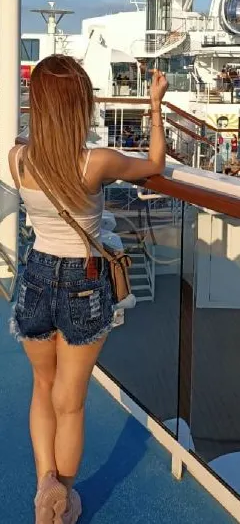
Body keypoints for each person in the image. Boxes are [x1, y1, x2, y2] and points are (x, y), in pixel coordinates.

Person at [8, 57, 168, 524]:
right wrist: (154, 106)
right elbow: (155, 164)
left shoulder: (17, 159)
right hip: (84, 279)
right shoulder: (96, 162)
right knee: (71, 400)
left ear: (37, 105)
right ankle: (64, 503)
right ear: (81, 105)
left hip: (37, 273)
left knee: (42, 387)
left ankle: (44, 493)